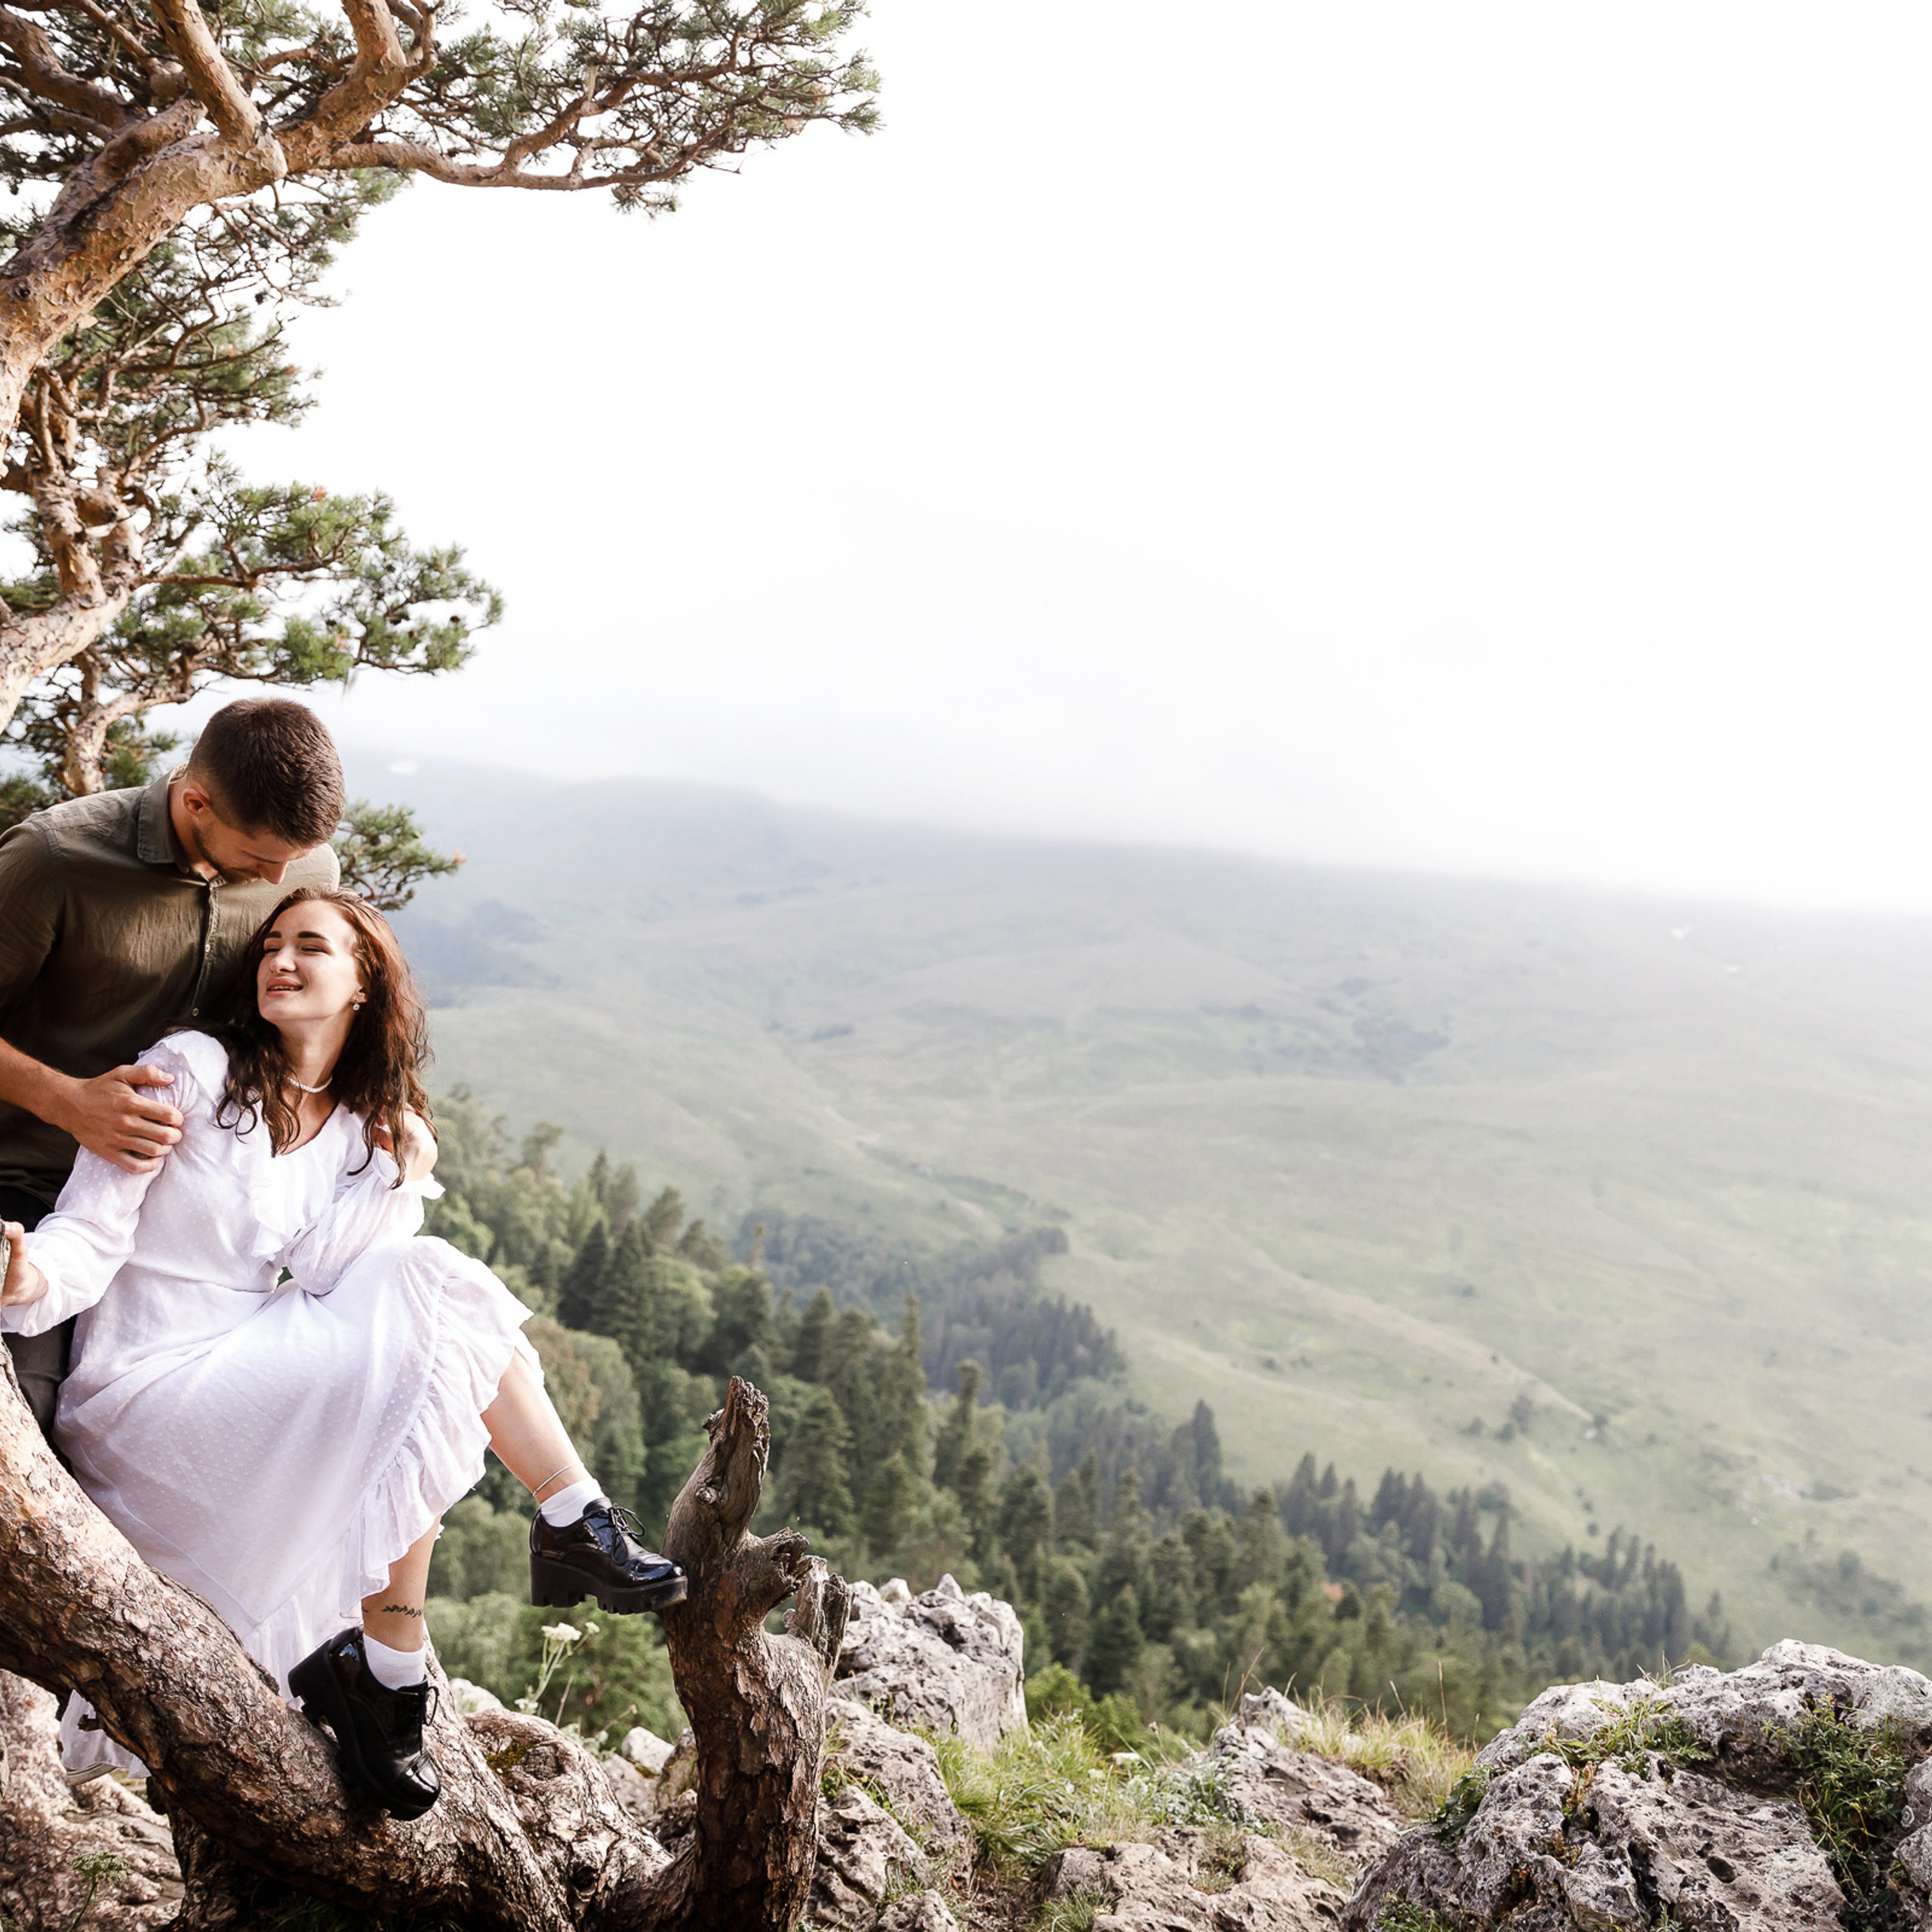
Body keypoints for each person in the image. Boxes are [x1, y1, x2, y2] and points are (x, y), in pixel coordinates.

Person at [0, 887, 686, 1819]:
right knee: (432, 1298)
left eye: (310, 947)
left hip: (243, 1357)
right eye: (272, 943)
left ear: (363, 986)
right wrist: (25, 1275)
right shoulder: (188, 1071)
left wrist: (398, 1174)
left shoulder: (359, 1128)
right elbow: (92, 1231)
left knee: (426, 1334)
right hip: (145, 1388)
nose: (280, 959)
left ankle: (418, 1655)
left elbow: (339, 1279)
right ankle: (558, 1531)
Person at [0, 697, 346, 1438]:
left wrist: (400, 1111)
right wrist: (65, 1100)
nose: (284, 874)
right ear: (195, 801)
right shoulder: (52, 859)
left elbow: (338, 1004)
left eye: (297, 857)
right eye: (263, 854)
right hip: (31, 1188)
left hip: (196, 1226)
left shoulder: (303, 863)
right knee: (27, 1426)